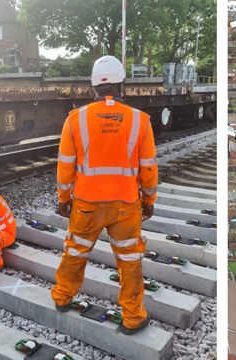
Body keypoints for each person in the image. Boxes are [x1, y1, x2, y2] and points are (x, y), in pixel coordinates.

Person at [51, 55, 158, 335]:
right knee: (130, 261)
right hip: (126, 205)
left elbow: (65, 166)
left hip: (86, 204)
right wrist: (149, 202)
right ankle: (133, 317)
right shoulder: (140, 121)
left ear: (94, 86)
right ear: (122, 84)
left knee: (74, 252)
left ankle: (62, 297)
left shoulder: (75, 120)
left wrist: (64, 198)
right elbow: (148, 169)